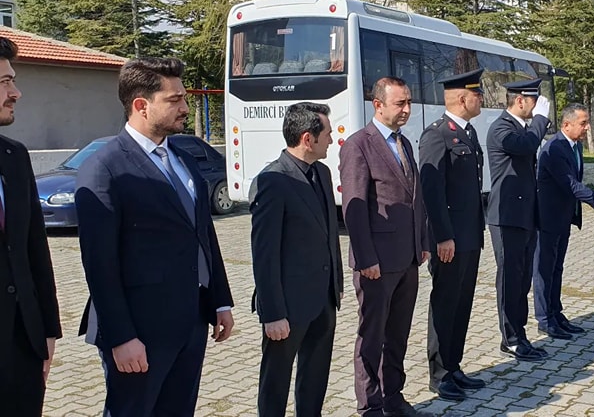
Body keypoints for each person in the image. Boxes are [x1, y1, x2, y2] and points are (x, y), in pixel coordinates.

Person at [76, 58, 235, 416]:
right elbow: (99, 263)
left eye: (184, 97)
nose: (185, 107)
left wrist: (219, 301)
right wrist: (121, 337)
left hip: (190, 323)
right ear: (141, 105)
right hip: (139, 332)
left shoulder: (183, 159)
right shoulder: (105, 168)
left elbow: (203, 234)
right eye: (174, 99)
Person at [340, 76, 432, 417]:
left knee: (398, 335)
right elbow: (355, 206)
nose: (407, 109)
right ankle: (370, 406)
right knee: (372, 337)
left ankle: (393, 396)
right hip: (376, 262)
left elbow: (414, 198)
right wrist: (366, 258)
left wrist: (421, 241)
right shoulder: (358, 145)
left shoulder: (404, 143)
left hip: (407, 258)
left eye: (408, 102)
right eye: (400, 103)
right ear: (378, 105)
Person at [250, 102, 343, 416]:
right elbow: (264, 254)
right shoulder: (273, 181)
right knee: (275, 381)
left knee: (315, 378)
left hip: (323, 300)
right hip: (287, 308)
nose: (332, 139)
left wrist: (337, 284)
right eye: (327, 133)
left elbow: (329, 233)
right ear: (308, 138)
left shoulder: (323, 172)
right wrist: (272, 312)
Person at [0, 36, 61, 416]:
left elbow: (34, 248)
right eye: (5, 82)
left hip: (22, 343)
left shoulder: (15, 156)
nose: (16, 92)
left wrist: (48, 330)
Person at [419, 69, 487, 401]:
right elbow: (432, 193)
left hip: (470, 235)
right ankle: (439, 373)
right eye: (478, 94)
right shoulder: (437, 135)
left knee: (462, 303)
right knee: (445, 303)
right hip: (449, 240)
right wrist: (443, 236)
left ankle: (454, 364)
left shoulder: (468, 133)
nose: (482, 100)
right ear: (462, 99)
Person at [534, 104, 594, 340]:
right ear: (566, 124)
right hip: (547, 218)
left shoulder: (575, 146)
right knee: (544, 269)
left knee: (557, 267)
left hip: (563, 217)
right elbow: (571, 185)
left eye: (587, 122)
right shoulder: (554, 149)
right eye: (583, 123)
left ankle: (556, 313)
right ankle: (544, 319)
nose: (587, 127)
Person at [485, 78, 552, 361]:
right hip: (507, 216)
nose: (537, 108)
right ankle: (510, 337)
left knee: (523, 277)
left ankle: (519, 333)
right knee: (510, 279)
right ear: (520, 101)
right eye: (534, 102)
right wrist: (540, 121)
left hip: (525, 215)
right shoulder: (502, 128)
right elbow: (525, 147)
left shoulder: (522, 128)